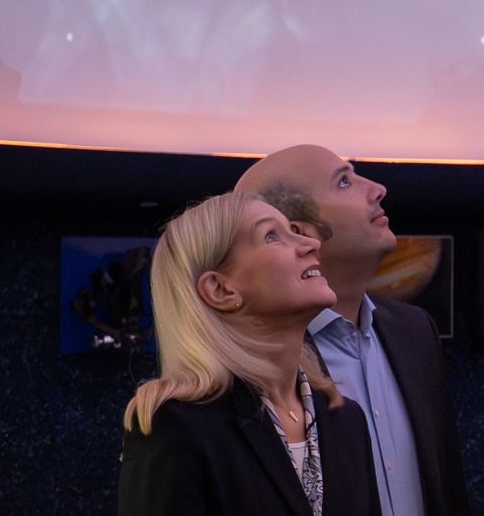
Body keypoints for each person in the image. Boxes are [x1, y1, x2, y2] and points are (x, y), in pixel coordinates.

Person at [240, 144, 470, 516]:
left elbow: (448, 484)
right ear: (296, 232)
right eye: (344, 182)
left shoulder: (414, 332)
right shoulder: (253, 361)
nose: (378, 188)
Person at [118, 191, 382, 516]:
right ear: (221, 290)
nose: (311, 244)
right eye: (272, 235)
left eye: (295, 231)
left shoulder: (346, 420)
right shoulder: (176, 426)